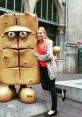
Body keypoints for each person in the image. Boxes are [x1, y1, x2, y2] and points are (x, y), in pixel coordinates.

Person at [32, 27, 66, 117]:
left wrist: (38, 56)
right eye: (37, 33)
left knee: (51, 88)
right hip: (42, 68)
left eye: (41, 33)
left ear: (44, 33)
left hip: (49, 68)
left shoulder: (49, 42)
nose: (39, 34)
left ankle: (54, 109)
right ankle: (62, 91)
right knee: (44, 86)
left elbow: (49, 56)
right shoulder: (37, 43)